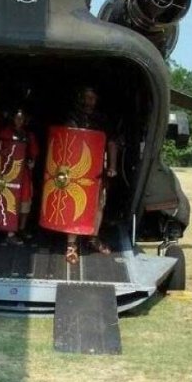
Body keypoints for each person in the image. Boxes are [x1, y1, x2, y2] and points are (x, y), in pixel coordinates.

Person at [64, 86, 118, 264]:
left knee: (99, 204)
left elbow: (111, 142)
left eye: (92, 98)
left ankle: (93, 238)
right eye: (87, 97)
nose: (89, 101)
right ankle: (71, 244)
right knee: (74, 203)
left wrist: (112, 165)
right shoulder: (73, 117)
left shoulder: (102, 120)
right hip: (76, 168)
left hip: (97, 169)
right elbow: (67, 139)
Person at [0, 108, 39, 244]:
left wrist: (32, 161)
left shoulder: (29, 135)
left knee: (25, 202)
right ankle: (10, 233)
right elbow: (0, 151)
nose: (19, 120)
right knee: (11, 201)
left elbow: (33, 152)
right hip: (10, 173)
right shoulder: (5, 133)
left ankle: (21, 228)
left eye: (22, 118)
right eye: (17, 117)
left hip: (24, 173)